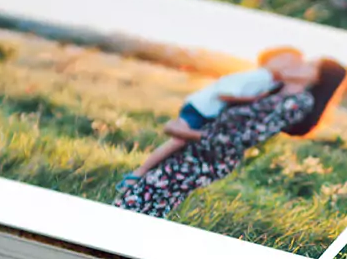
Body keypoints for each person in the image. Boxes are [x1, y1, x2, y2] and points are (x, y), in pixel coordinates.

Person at [114, 58, 347, 221]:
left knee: (148, 198)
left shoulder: (298, 103)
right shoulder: (275, 89)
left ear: (317, 77)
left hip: (210, 157)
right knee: (144, 193)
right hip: (198, 147)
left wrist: (191, 134)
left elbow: (249, 136)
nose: (300, 64)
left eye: (309, 65)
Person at [118, 47, 311, 191]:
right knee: (177, 140)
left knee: (180, 144)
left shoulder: (272, 81)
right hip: (201, 109)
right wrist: (252, 99)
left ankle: (144, 175)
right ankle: (138, 173)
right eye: (287, 60)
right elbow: (224, 94)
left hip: (206, 111)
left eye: (295, 63)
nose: (290, 65)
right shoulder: (260, 76)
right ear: (269, 60)